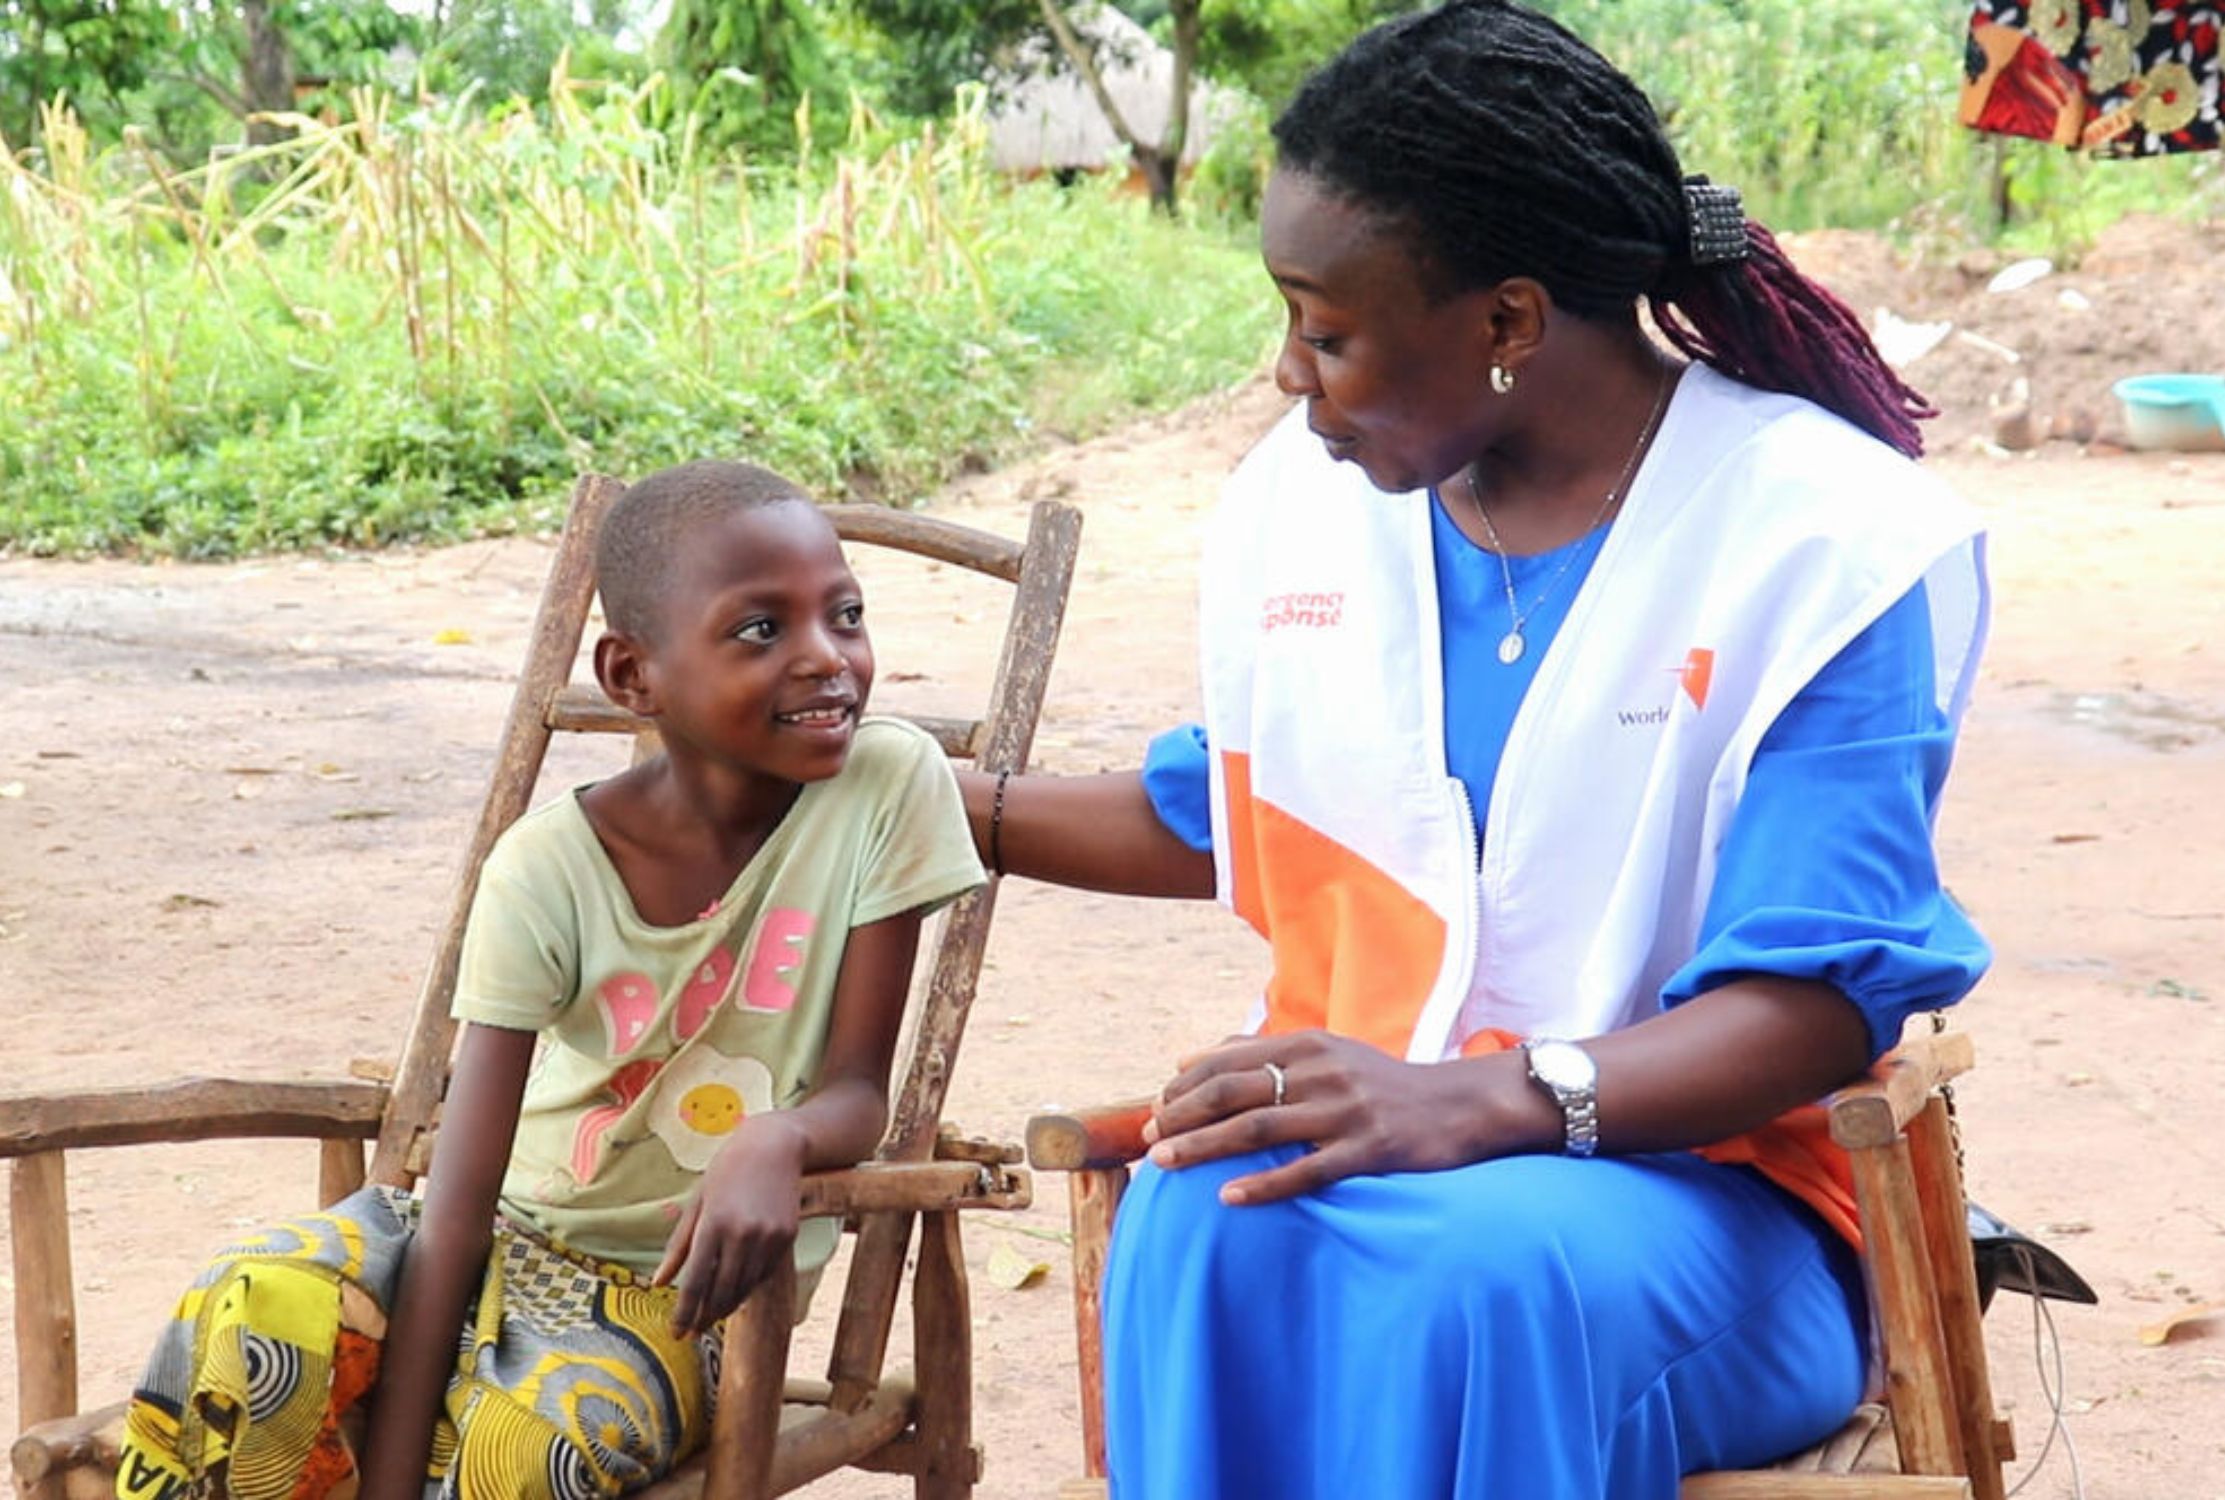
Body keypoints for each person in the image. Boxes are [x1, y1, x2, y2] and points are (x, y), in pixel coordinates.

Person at [962, 3, 1991, 1496]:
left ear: (1507, 322)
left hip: (1715, 1197)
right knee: (1193, 1214)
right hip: (1402, 1150)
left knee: (1480, 1286)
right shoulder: (1304, 514)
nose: (1284, 372)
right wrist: (939, 801)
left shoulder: (1821, 544)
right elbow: (1229, 817)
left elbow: (1813, 1003)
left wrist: (1471, 1103)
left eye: (1327, 329)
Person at [119, 461, 985, 1500]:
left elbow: (854, 1089)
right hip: (498, 1234)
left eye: (843, 615)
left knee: (526, 1454)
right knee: (254, 1298)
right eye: (761, 630)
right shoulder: (546, 867)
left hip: (671, 1292)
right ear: (632, 677)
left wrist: (776, 1135)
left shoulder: (885, 787)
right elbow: (457, 1207)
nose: (824, 659)